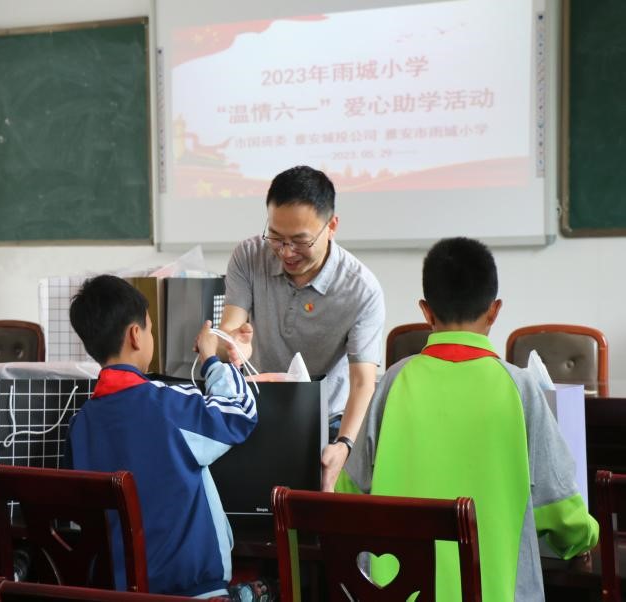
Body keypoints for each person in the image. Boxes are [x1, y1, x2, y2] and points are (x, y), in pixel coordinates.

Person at [342, 237, 598, 601]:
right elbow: (559, 512)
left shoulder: (393, 382)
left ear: (426, 311)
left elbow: (348, 496)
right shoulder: (520, 388)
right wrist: (585, 538)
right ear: (494, 311)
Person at [67, 275, 258, 598]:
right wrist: (213, 360)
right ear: (135, 335)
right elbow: (240, 412)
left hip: (123, 590)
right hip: (194, 589)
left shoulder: (80, 425)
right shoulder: (168, 405)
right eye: (151, 330)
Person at [219, 165, 385, 491]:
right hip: (259, 408)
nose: (285, 251)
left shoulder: (361, 289)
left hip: (328, 421)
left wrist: (344, 446)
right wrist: (232, 345)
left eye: (299, 240)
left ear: (331, 226)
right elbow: (231, 330)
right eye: (276, 237)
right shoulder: (249, 256)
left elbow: (363, 381)